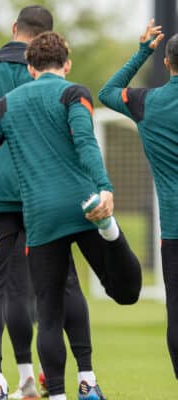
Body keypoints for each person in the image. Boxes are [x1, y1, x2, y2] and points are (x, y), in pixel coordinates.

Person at [0, 31, 143, 400]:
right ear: (66, 63)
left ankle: (60, 395)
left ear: (30, 68)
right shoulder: (73, 92)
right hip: (85, 207)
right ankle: (88, 382)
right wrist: (105, 186)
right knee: (126, 293)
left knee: (48, 314)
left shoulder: (2, 105)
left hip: (41, 219)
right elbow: (85, 141)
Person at [0, 6, 95, 398]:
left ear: (14, 28)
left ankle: (3, 380)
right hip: (44, 192)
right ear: (51, 38)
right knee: (62, 283)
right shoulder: (58, 78)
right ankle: (86, 376)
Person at [98, 20, 178, 378]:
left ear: (166, 63)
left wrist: (143, 50)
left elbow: (107, 91)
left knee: (176, 313)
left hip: (173, 232)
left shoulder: (147, 102)